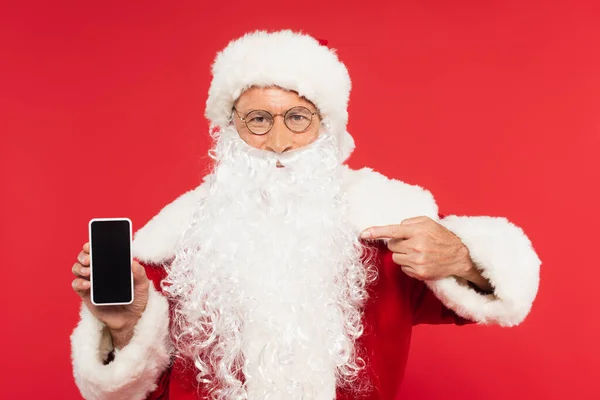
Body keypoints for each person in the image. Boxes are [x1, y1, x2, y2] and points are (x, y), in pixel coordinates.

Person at [70, 30, 541, 400]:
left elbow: (490, 297)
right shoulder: (172, 247)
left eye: (297, 117)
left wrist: (460, 257)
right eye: (258, 120)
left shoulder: (383, 227)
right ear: (228, 129)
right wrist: (128, 326)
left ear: (326, 128)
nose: (278, 142)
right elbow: (138, 393)